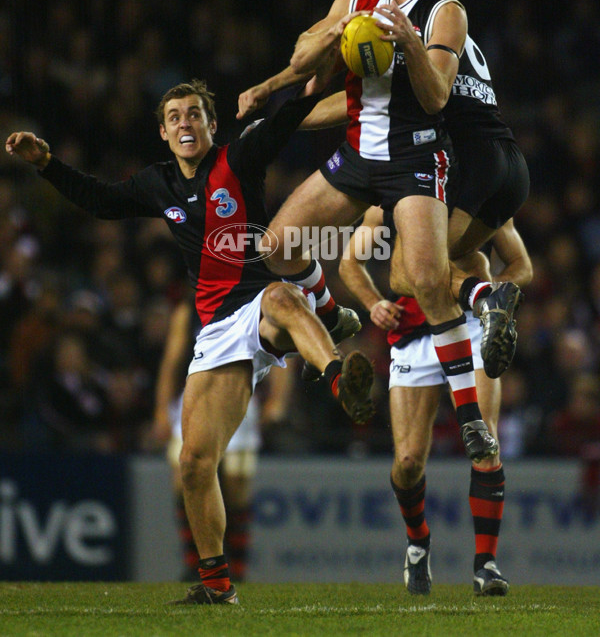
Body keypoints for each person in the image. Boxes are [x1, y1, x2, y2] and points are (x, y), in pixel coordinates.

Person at [5, 78, 376, 606]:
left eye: (195, 114)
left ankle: (342, 383)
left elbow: (283, 124)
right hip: (217, 330)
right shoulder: (158, 184)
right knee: (195, 464)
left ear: (211, 125)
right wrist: (46, 164)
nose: (185, 123)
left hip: (260, 299)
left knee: (281, 298)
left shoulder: (239, 158)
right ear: (163, 131)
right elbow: (102, 201)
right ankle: (217, 585)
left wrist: (301, 87)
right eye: (175, 116)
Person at [238, 0, 512, 458]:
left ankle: (473, 422)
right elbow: (302, 61)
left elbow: (435, 98)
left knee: (429, 285)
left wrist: (408, 42)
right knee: (276, 247)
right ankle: (331, 314)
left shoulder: (445, 13)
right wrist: (279, 78)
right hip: (360, 155)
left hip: (415, 156)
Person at [338, 206, 533, 595]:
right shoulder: (390, 202)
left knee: (484, 439)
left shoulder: (478, 197)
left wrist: (493, 296)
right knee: (407, 462)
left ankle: (486, 564)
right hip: (414, 331)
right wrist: (374, 302)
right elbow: (349, 263)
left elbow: (521, 265)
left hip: (471, 325)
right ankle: (417, 541)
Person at [153, 296, 293, 583]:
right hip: (194, 398)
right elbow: (172, 359)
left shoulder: (255, 298)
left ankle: (237, 570)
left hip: (240, 397)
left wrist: (277, 400)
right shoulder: (188, 307)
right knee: (185, 479)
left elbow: (285, 349)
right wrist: (161, 409)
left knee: (235, 485)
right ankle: (195, 565)